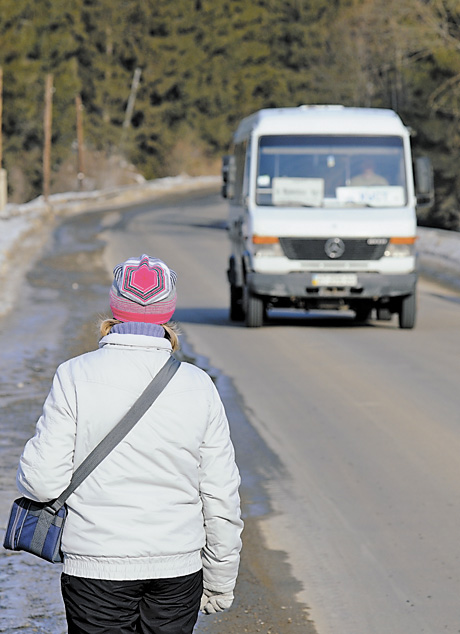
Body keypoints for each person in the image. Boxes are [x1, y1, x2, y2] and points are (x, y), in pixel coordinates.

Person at [16, 254, 243, 634]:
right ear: (167, 313)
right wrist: (219, 579)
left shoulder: (74, 375)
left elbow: (41, 483)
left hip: (95, 568)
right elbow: (221, 495)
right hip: (177, 570)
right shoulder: (198, 385)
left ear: (115, 309)